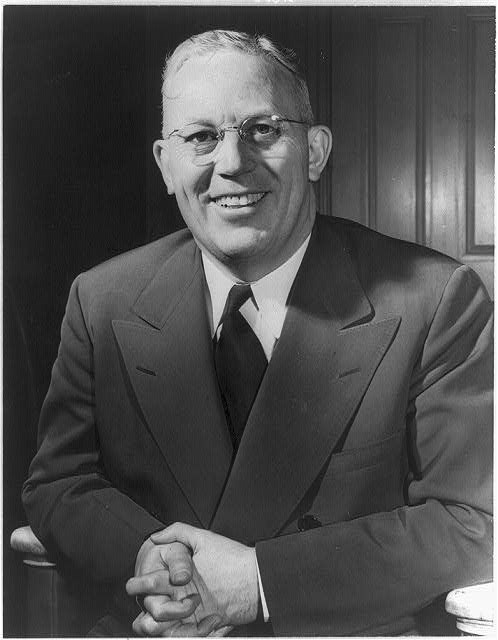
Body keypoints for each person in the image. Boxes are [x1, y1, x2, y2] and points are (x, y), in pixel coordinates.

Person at [23, 29, 492, 637]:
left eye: (262, 130)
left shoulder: (436, 300)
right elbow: (58, 481)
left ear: (315, 151)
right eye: (200, 137)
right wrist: (147, 556)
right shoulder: (101, 298)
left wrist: (259, 582)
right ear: (166, 165)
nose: (231, 163)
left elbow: (469, 520)